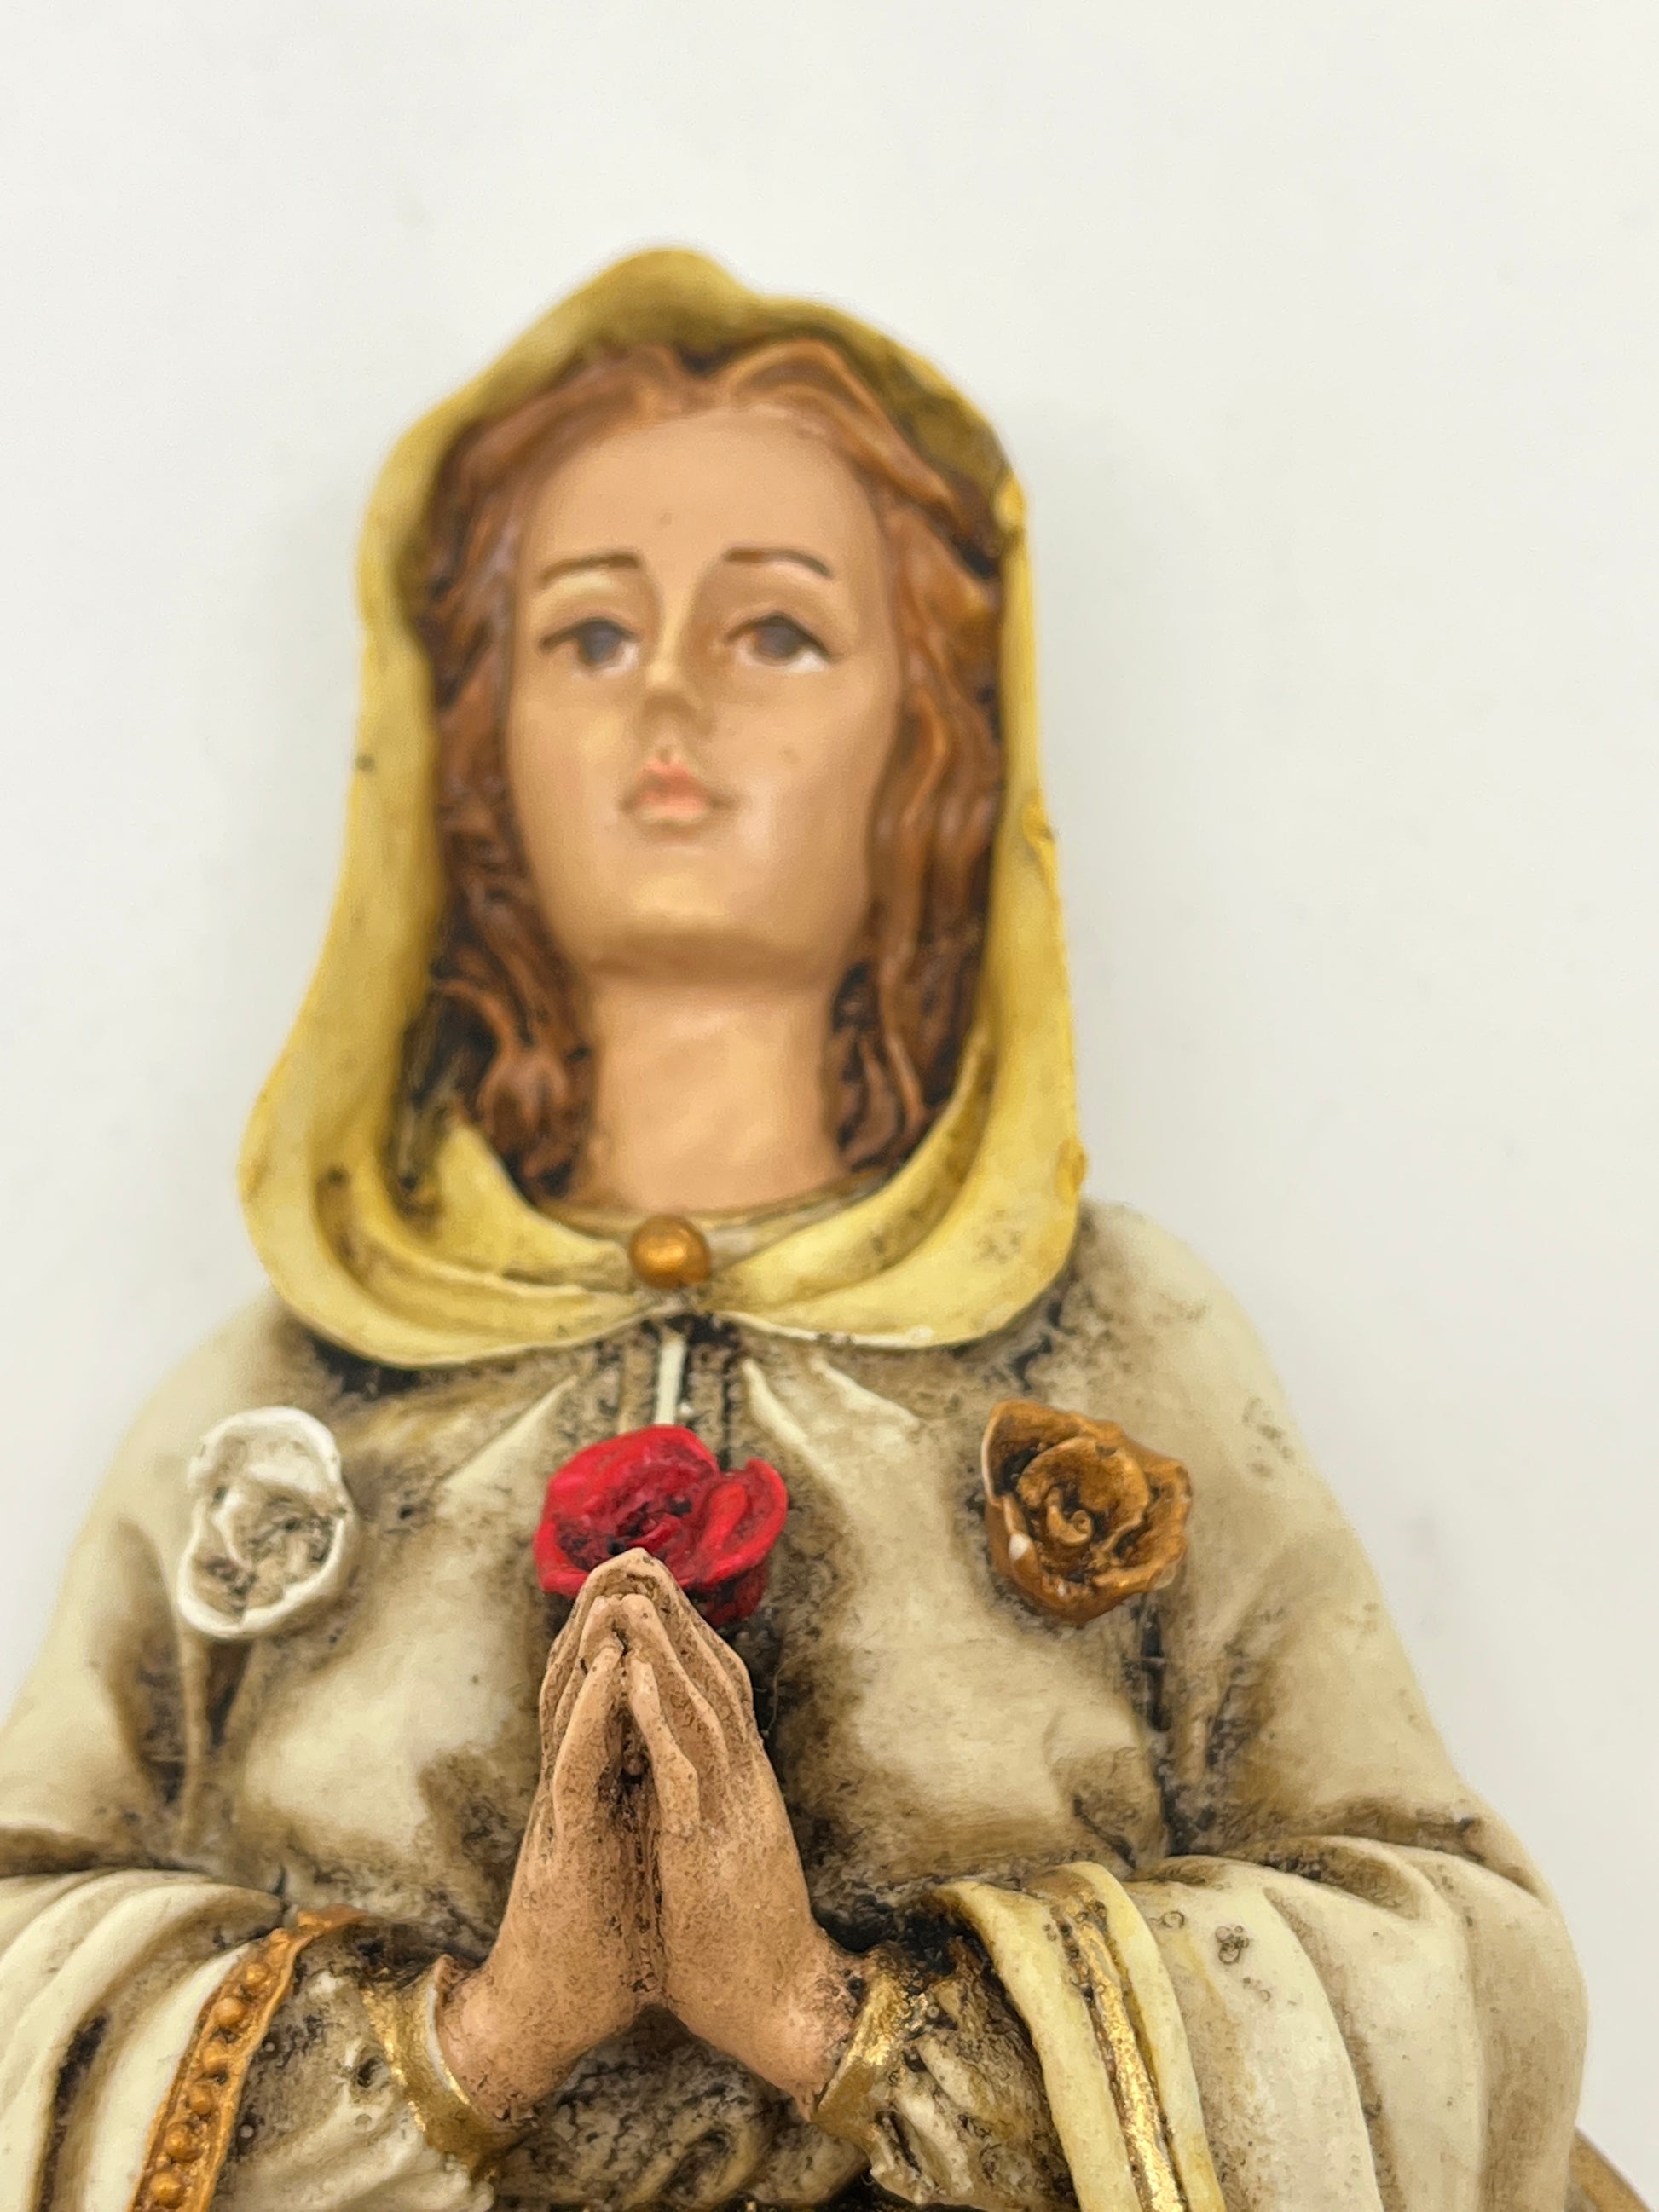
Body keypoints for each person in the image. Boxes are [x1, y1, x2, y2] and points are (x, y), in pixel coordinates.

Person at [0, 251, 1604, 2212]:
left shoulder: (1111, 1338)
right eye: (590, 633)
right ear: (474, 747)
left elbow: (1455, 1966)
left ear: (926, 743)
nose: (669, 696)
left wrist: (832, 2015)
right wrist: (486, 2032)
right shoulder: (285, 1392)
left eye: (773, 629)